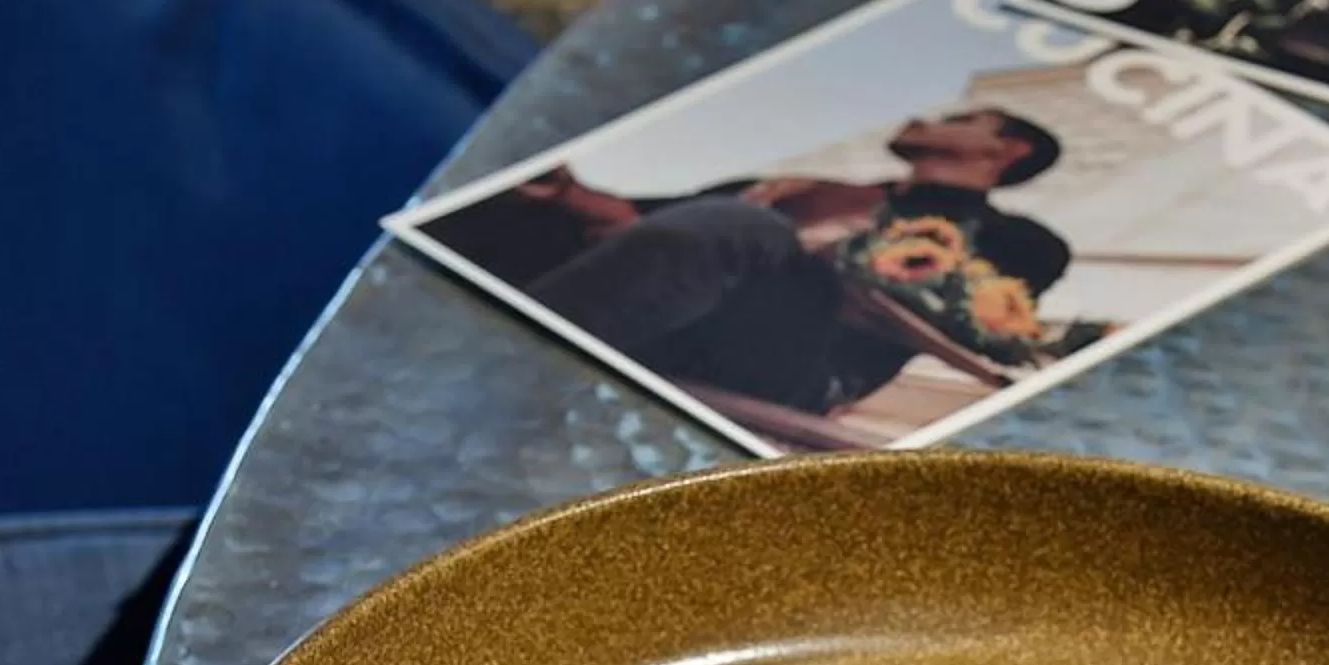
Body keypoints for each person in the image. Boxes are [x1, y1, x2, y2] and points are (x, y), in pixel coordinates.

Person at [434, 108, 1071, 417]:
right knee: (508, 198)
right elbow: (652, 229)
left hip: (798, 362)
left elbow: (957, 312)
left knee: (742, 227)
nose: (926, 114)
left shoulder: (1024, 242)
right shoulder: (793, 188)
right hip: (669, 307)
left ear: (1007, 149)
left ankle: (477, 373)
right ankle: (414, 320)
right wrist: (567, 192)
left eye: (962, 117)